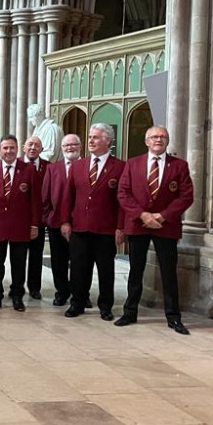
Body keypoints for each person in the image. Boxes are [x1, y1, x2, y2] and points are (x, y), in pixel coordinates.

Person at [115, 125, 194, 334]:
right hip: (138, 224)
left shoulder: (179, 166)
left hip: (165, 226)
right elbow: (123, 193)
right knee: (135, 271)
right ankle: (130, 312)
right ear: (146, 141)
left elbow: (186, 196)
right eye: (154, 136)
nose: (159, 139)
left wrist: (162, 216)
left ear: (167, 141)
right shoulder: (132, 164)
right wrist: (142, 215)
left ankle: (174, 317)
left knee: (169, 272)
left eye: (163, 136)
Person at [61, 124, 124, 321]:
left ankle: (105, 306)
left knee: (106, 270)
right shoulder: (78, 166)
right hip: (80, 227)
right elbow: (67, 196)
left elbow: (123, 201)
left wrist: (121, 227)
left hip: (105, 229)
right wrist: (65, 221)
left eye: (95, 137)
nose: (90, 141)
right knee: (79, 268)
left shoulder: (120, 167)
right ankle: (77, 303)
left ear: (108, 140)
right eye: (89, 137)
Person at [0, 135, 41, 312]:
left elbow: (35, 201)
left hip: (20, 226)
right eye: (5, 148)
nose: (9, 151)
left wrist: (34, 225)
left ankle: (17, 296)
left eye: (12, 148)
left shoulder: (29, 170)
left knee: (18, 264)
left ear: (17, 149)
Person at [41, 134, 81, 306]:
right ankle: (62, 292)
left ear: (80, 146)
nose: (70, 148)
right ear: (61, 147)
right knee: (59, 261)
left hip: (80, 224)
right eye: (66, 145)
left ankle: (81, 293)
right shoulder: (53, 168)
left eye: (73, 144)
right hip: (56, 223)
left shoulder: (86, 166)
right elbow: (45, 196)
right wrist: (49, 217)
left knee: (80, 261)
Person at [22, 136, 49, 300]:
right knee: (16, 256)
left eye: (36, 145)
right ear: (24, 147)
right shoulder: (15, 163)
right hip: (17, 219)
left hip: (38, 219)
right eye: (30, 144)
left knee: (36, 255)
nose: (33, 147)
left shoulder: (48, 167)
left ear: (42, 149)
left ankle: (34, 287)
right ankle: (15, 286)